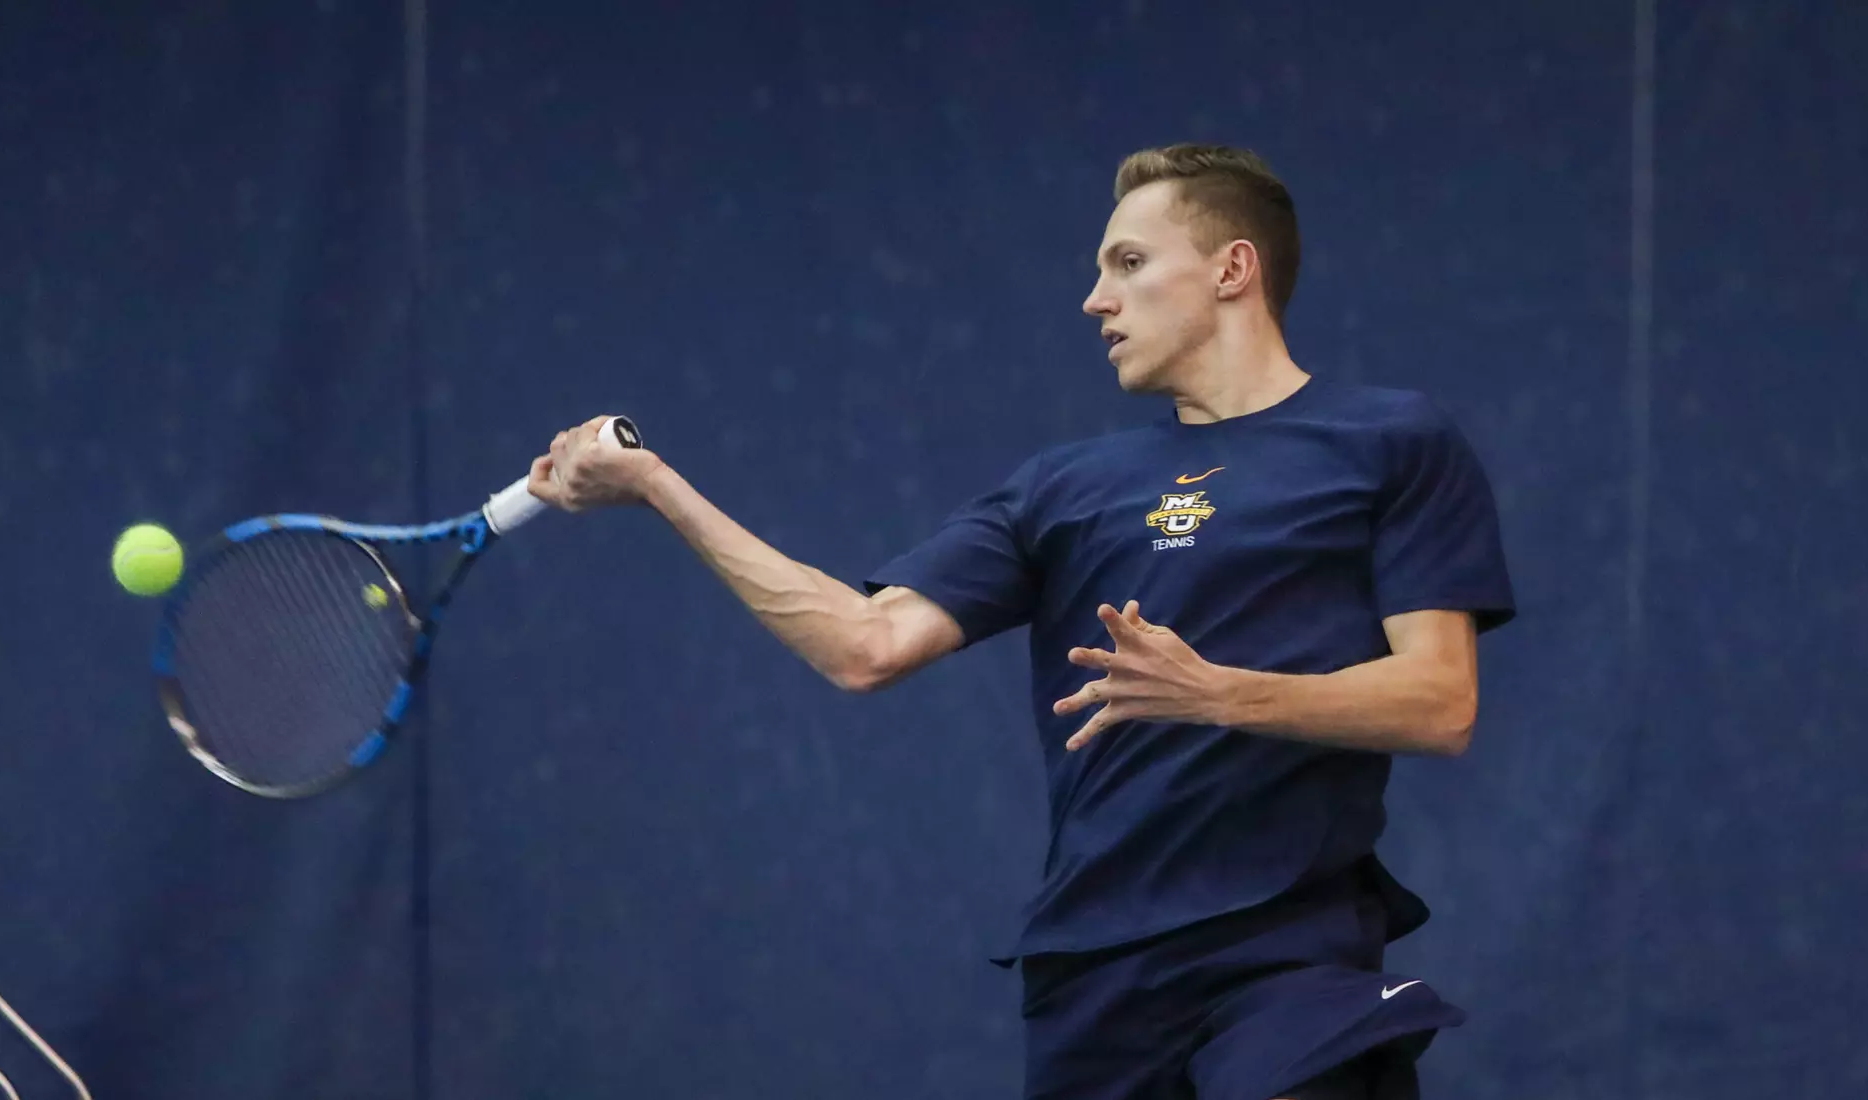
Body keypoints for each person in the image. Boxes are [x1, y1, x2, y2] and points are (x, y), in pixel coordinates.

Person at [528, 143, 1515, 1100]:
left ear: (1233, 268)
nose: (1097, 298)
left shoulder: (1390, 441)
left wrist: (1214, 691)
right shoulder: (1061, 488)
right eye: (1099, 271)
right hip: (1091, 971)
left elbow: (1441, 701)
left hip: (1290, 950)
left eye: (1128, 263)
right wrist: (658, 486)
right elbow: (863, 644)